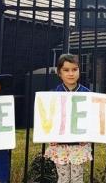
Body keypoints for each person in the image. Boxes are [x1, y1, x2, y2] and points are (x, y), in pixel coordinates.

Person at [44, 54, 92, 183]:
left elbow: (92, 116)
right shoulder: (53, 95)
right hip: (59, 144)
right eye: (66, 70)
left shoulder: (87, 93)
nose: (71, 73)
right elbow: (49, 118)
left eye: (74, 69)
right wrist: (50, 136)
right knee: (63, 178)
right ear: (59, 73)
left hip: (79, 143)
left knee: (77, 178)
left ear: (79, 71)